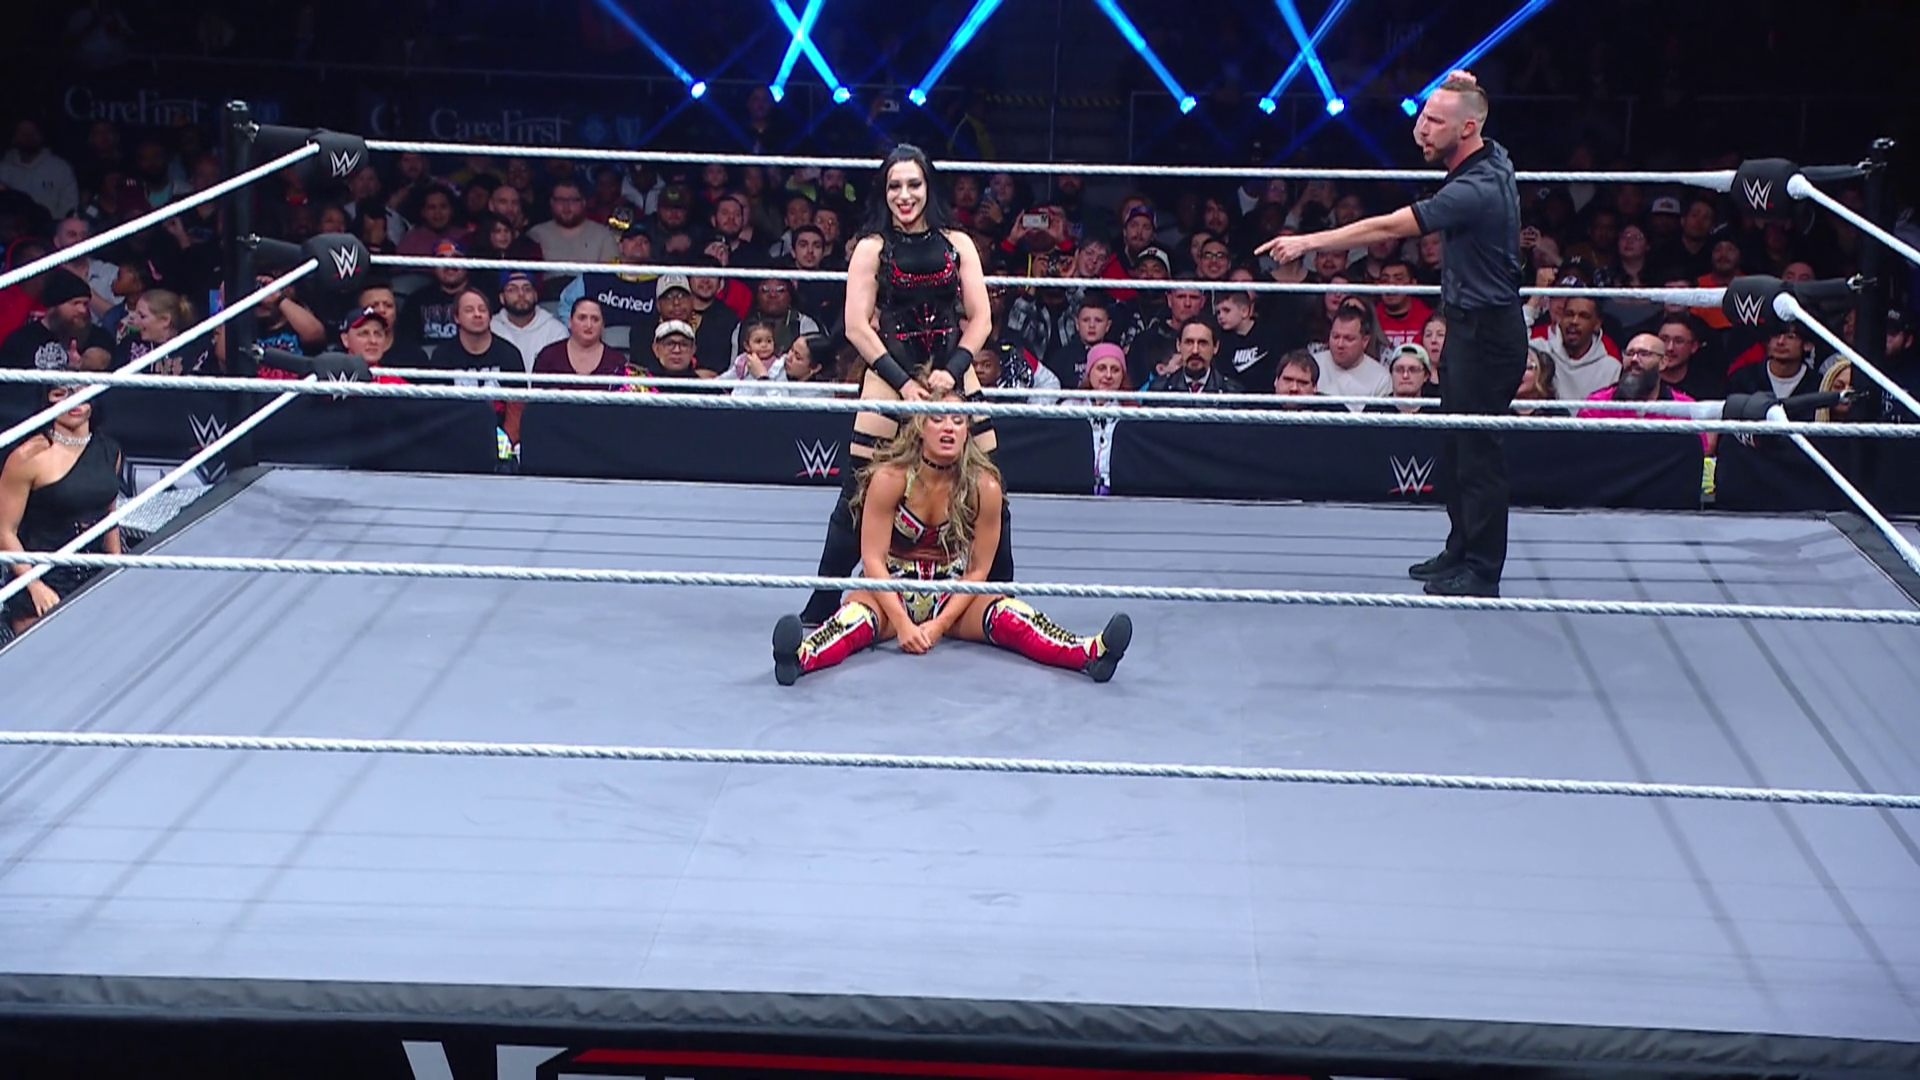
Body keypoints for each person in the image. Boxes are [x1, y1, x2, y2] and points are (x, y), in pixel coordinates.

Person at [1260, 71, 1523, 598]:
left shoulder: (1475, 188)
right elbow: (1481, 117)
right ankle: (1460, 549)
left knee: (1478, 454)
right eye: (1424, 116)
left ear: (1467, 129)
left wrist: (1307, 242)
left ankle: (1483, 569)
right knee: (1455, 448)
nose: (1421, 129)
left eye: (1436, 121)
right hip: (1467, 328)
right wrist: (1464, 88)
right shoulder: (1492, 155)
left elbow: (1385, 228)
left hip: (1489, 335)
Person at [770, 395, 1130, 685]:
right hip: (892, 587)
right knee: (853, 620)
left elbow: (979, 570)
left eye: (958, 421)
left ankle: (1090, 653)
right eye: (938, 418)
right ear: (920, 427)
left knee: (1011, 615)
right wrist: (904, 623)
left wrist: (939, 625)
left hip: (952, 590)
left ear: (967, 431)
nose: (948, 428)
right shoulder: (890, 478)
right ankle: (798, 658)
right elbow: (873, 559)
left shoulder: (984, 486)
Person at [797, 144, 1009, 628]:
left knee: (991, 482)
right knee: (857, 489)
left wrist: (953, 370)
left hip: (951, 370)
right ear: (884, 191)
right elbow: (856, 326)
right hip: (891, 372)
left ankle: (1001, 597)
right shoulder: (872, 247)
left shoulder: (958, 243)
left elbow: (981, 318)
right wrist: (902, 381)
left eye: (913, 184)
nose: (904, 195)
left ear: (928, 186)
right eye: (895, 185)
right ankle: (824, 600)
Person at [0, 385, 123, 635]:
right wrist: (34, 585)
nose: (73, 401)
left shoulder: (110, 451)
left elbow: (110, 516)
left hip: (96, 575)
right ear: (48, 399)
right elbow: (4, 531)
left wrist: (118, 566)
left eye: (80, 391)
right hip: (44, 579)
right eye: (61, 393)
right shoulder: (27, 457)